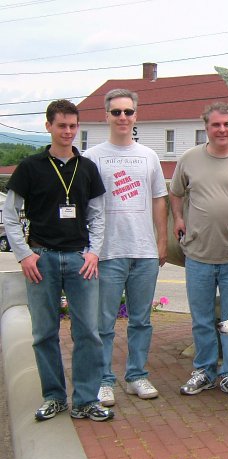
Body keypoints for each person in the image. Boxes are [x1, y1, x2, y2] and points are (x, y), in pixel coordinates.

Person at [4, 99, 114, 422]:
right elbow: (10, 216)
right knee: (44, 333)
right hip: (42, 260)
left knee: (88, 333)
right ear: (48, 126)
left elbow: (98, 216)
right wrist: (24, 255)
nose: (67, 132)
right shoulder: (30, 168)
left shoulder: (88, 168)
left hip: (81, 260)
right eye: (61, 125)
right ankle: (54, 396)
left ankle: (84, 400)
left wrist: (94, 251)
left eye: (72, 126)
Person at [170, 102, 228, 398]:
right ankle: (204, 371)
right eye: (215, 125)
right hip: (198, 255)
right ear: (206, 127)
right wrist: (180, 218)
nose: (221, 130)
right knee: (201, 318)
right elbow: (175, 192)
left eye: (227, 124)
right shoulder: (188, 159)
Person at [84, 89, 168, 407]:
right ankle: (104, 380)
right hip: (107, 252)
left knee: (141, 320)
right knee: (104, 322)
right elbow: (86, 205)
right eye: (116, 112)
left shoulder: (148, 156)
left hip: (144, 252)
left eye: (128, 112)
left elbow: (159, 200)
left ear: (136, 115)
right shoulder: (92, 157)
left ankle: (136, 376)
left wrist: (161, 242)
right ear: (106, 115)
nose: (122, 117)